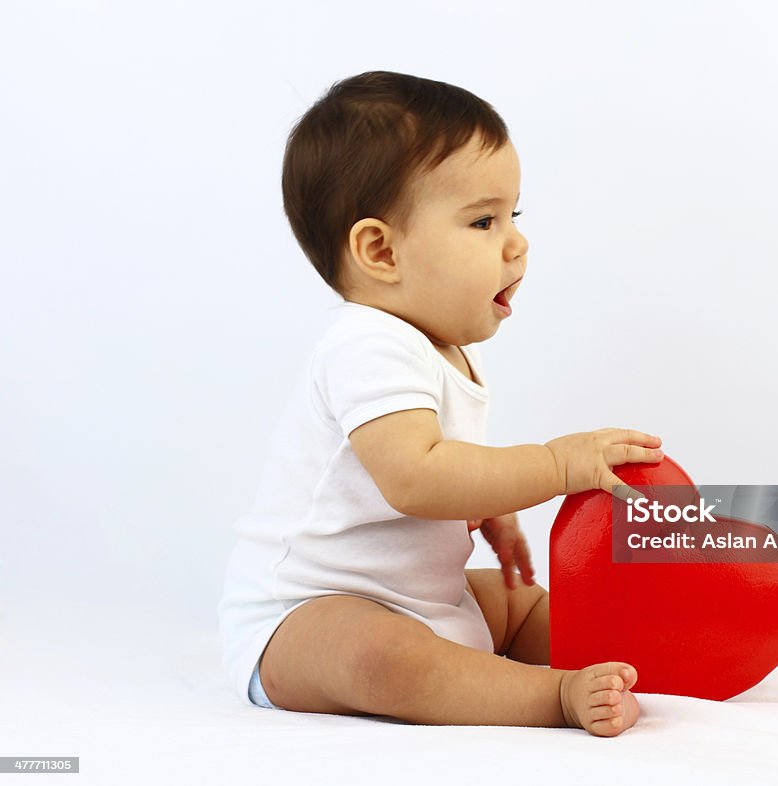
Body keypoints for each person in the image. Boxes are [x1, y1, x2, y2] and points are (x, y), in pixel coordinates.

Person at [218, 70, 664, 737]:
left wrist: (491, 511)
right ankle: (552, 696)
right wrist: (555, 464)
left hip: (426, 600)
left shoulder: (440, 346)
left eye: (515, 215)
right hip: (303, 618)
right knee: (380, 657)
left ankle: (642, 654)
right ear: (380, 250)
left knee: (519, 602)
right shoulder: (366, 343)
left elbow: (448, 466)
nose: (517, 243)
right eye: (483, 221)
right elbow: (414, 476)